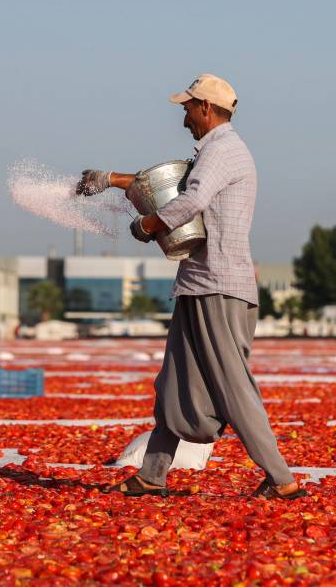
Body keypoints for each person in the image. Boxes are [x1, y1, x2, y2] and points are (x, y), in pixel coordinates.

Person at [77, 73, 306, 500]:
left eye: (187, 109)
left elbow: (192, 200)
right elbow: (168, 182)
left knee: (233, 386)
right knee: (174, 382)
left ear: (205, 108)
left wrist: (149, 223)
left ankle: (282, 479)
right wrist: (111, 178)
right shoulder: (212, 152)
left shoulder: (224, 151)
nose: (183, 118)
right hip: (198, 283)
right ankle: (152, 475)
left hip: (219, 286)